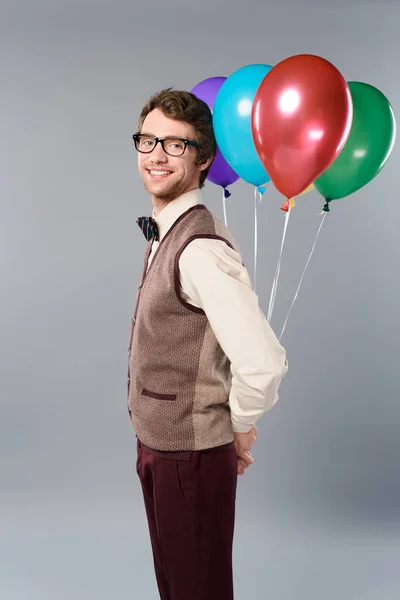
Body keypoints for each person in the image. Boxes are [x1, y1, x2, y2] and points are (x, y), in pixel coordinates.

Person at [127, 88, 288, 600]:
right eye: (148, 140)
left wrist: (238, 426)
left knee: (198, 590)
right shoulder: (166, 231)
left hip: (189, 458)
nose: (156, 154)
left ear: (204, 161)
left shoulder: (199, 249)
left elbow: (263, 362)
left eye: (176, 145)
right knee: (176, 587)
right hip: (160, 448)